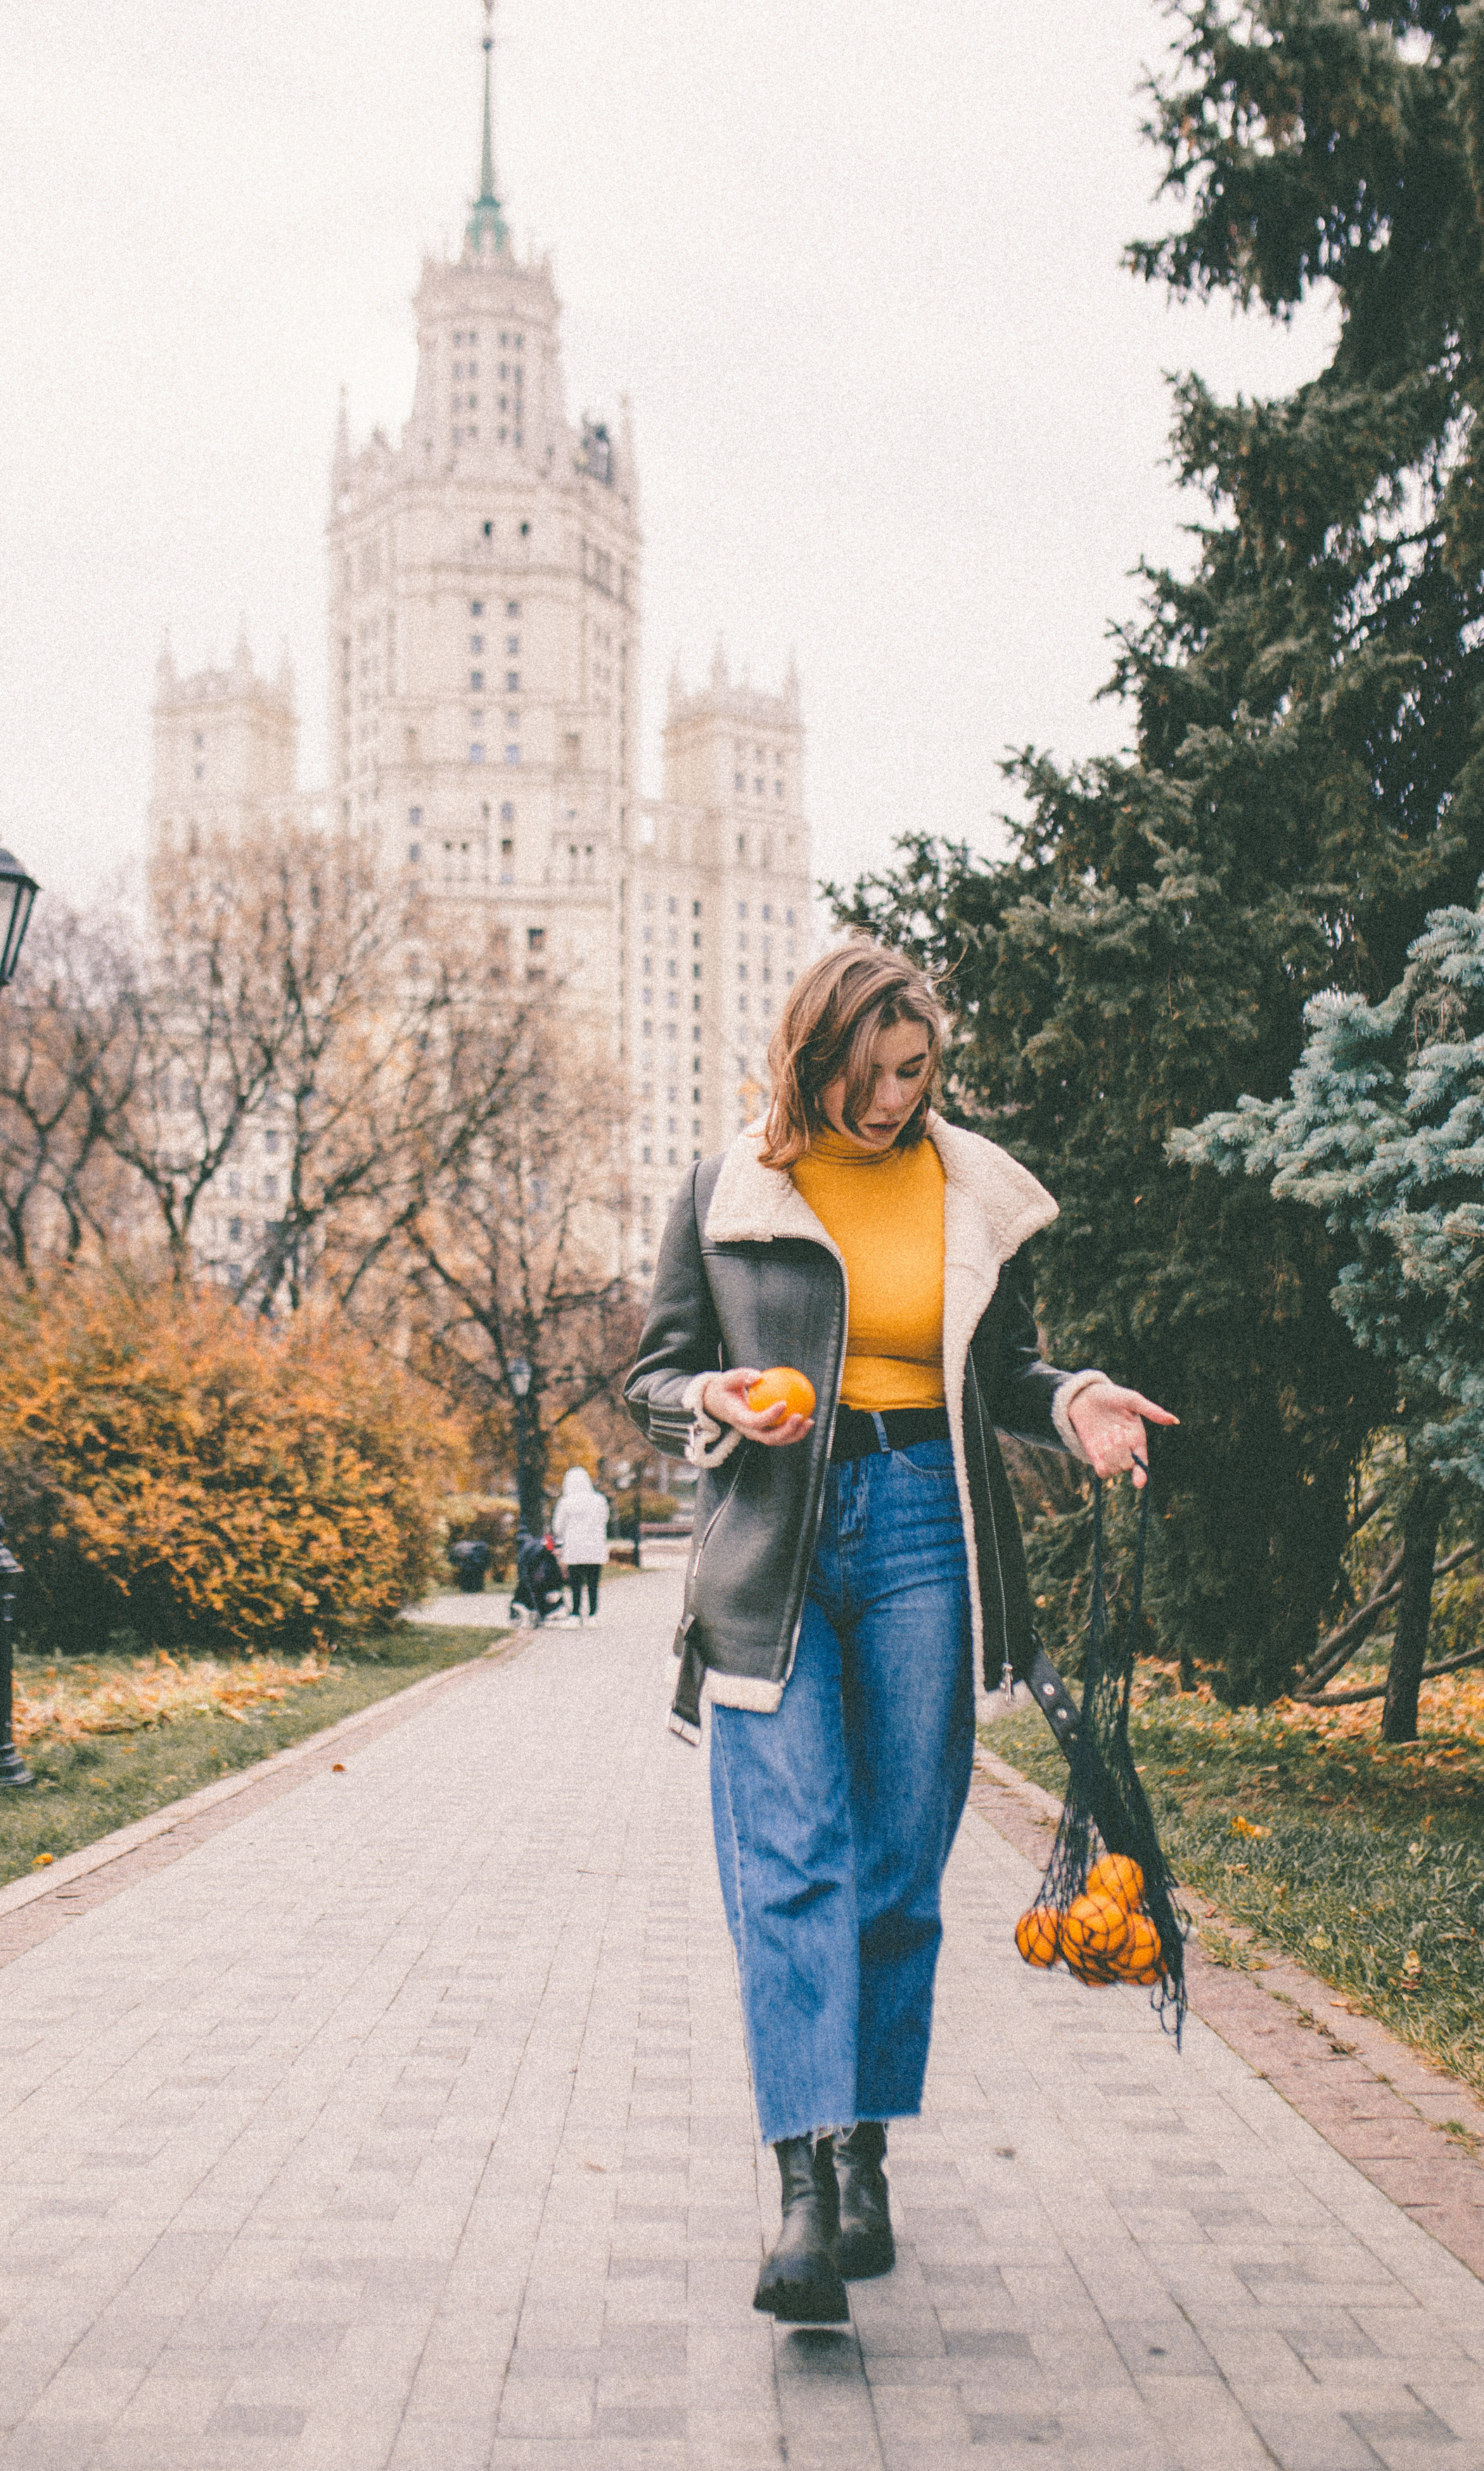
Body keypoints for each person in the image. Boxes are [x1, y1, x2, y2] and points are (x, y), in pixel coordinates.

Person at [625, 940, 1175, 2325]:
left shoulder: (958, 1184)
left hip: (928, 1525)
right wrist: (719, 1402)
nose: (887, 1105)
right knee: (789, 1858)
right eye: (864, 1079)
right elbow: (652, 1369)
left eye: (913, 1074)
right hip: (774, 1549)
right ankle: (802, 2189)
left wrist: (1076, 1403)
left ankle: (866, 2149)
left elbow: (998, 1372)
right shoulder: (728, 1187)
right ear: (810, 1061)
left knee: (896, 1865)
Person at [551, 1464, 611, 1623]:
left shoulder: (566, 1502)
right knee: (593, 1583)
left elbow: (557, 1527)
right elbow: (605, 1519)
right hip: (595, 1548)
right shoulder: (599, 1500)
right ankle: (593, 1615)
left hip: (575, 1548)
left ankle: (576, 1613)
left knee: (575, 1583)